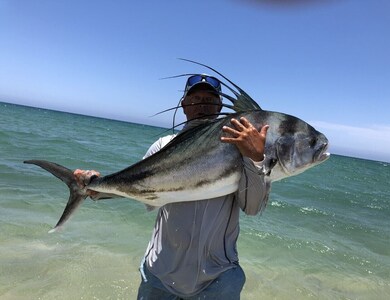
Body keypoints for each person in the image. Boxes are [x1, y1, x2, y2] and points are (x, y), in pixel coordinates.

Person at [74, 74, 269, 299]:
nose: (202, 105)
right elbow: (136, 188)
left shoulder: (245, 151)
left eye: (210, 100)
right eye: (195, 99)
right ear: (184, 105)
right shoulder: (163, 145)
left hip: (219, 278)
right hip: (160, 274)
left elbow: (253, 208)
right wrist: (95, 188)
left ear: (219, 107)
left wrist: (255, 159)